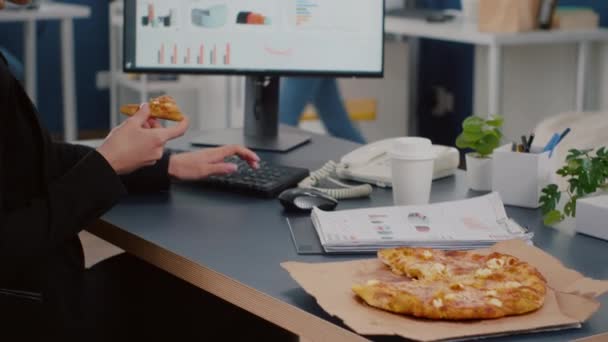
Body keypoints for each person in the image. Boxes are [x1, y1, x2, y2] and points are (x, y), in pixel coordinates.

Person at [0, 1, 291, 340]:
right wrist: (106, 164)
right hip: (30, 317)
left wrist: (168, 164)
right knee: (251, 302)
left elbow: (30, 157)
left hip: (40, 292)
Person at [280, 77, 366, 144]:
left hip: (308, 59)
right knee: (337, 123)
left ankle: (370, 160)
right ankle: (371, 161)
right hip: (317, 59)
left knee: (281, 128)